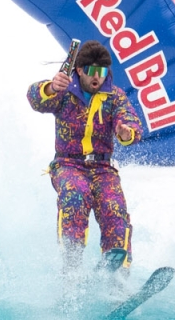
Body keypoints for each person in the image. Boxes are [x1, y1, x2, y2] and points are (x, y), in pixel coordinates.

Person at [28, 41, 142, 269]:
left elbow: (131, 121)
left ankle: (117, 273)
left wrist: (126, 132)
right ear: (79, 70)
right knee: (75, 196)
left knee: (114, 208)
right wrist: (50, 87)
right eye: (91, 72)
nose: (97, 78)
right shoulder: (65, 91)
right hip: (68, 164)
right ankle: (71, 266)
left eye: (101, 72)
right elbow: (35, 99)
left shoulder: (114, 96)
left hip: (102, 168)